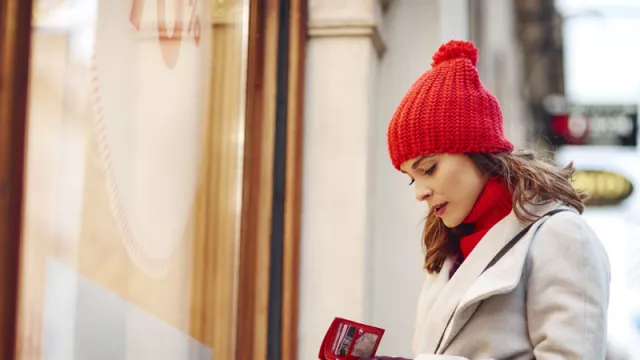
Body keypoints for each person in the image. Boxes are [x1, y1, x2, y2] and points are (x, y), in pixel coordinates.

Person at [360, 40, 611, 359]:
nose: (418, 192)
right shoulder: (450, 253)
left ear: (476, 152)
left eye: (429, 168)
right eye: (412, 177)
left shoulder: (562, 237)